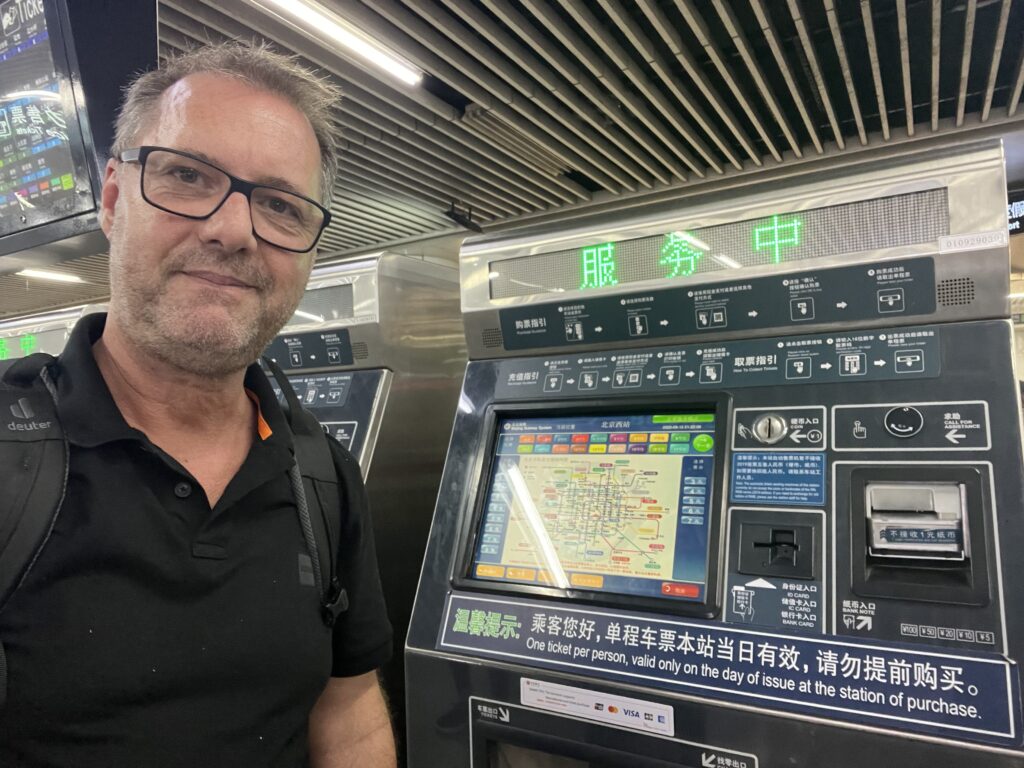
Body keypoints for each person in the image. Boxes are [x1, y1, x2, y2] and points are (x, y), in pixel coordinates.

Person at [0, 42, 396, 767]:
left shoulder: (322, 476)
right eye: (187, 176)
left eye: (279, 204)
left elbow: (349, 706)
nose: (232, 230)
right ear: (114, 199)